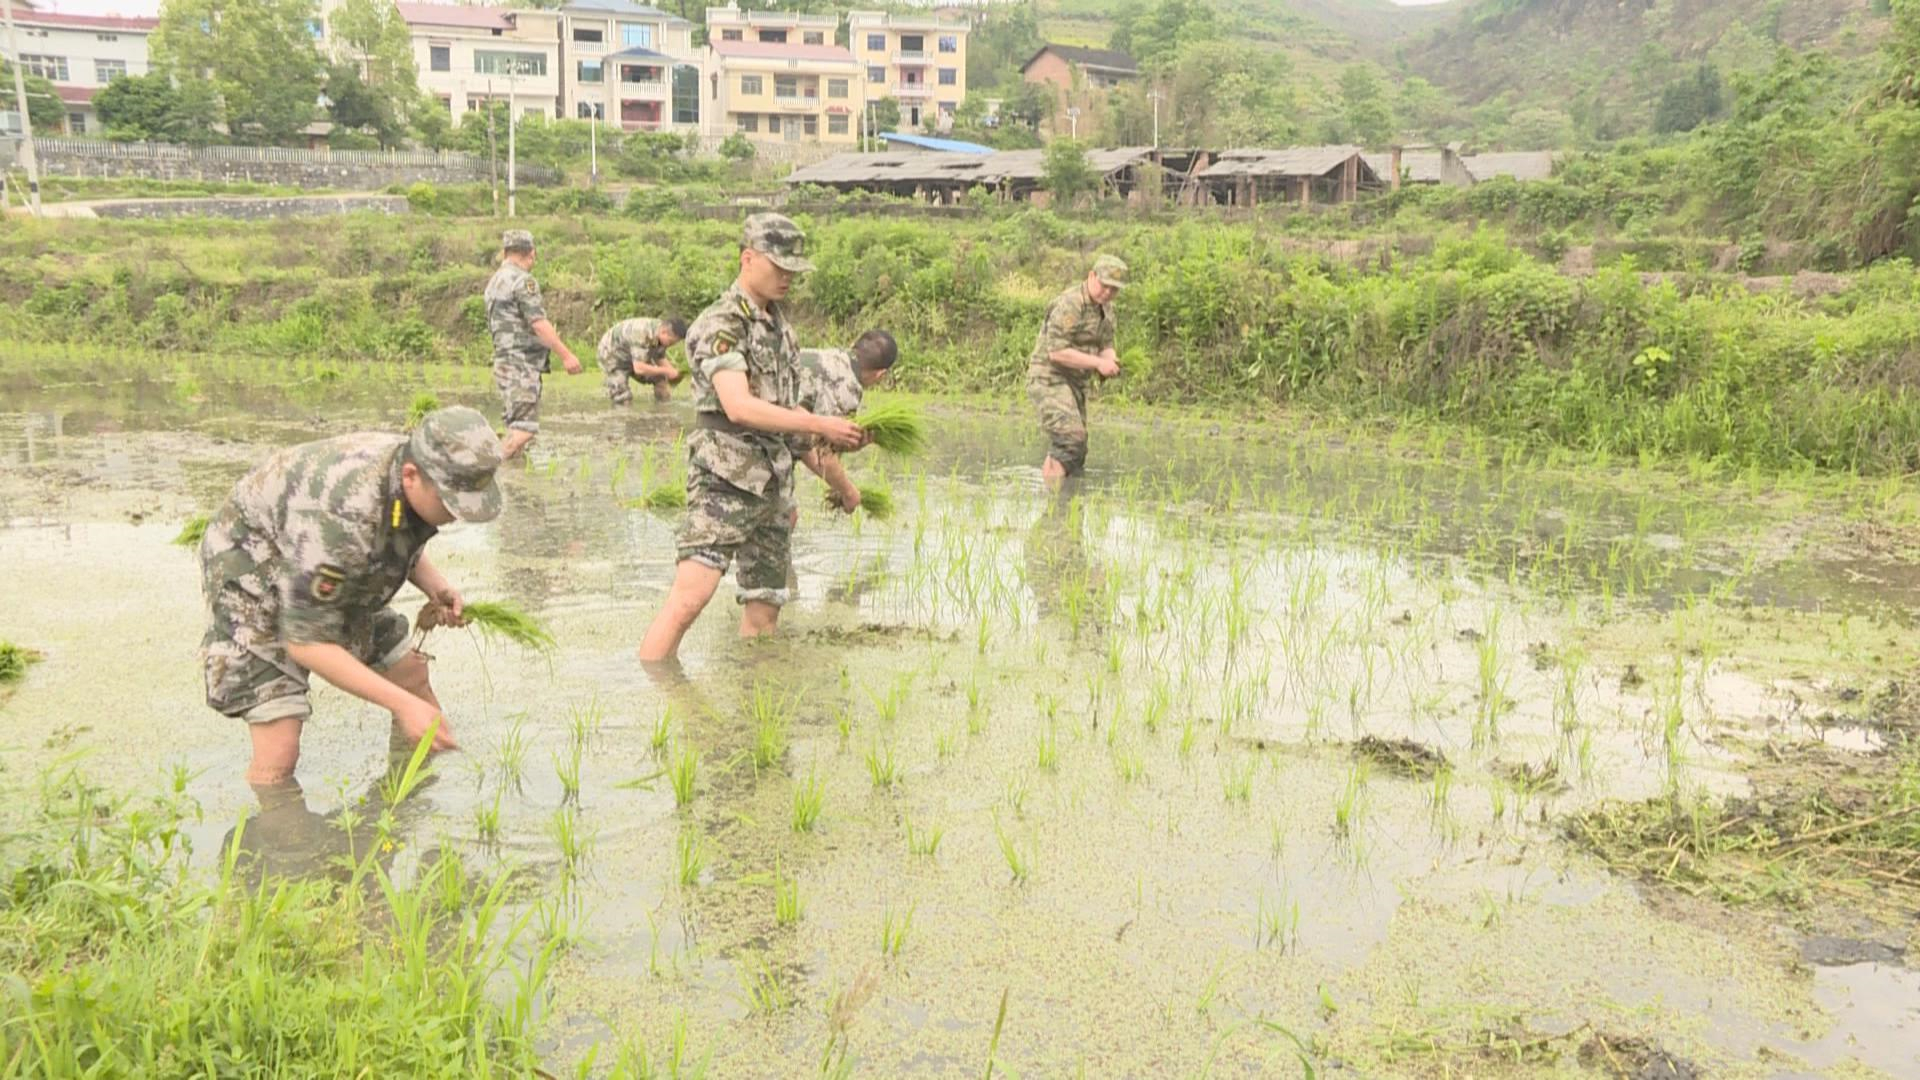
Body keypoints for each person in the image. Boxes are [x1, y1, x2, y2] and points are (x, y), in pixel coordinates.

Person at [198, 406, 505, 784]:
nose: (456, 516)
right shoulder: (346, 517)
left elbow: (395, 531)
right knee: (280, 749)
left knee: (410, 673)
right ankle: (273, 837)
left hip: (320, 557)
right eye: (450, 504)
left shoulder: (410, 467)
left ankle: (406, 800)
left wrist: (436, 586)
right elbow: (305, 642)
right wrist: (401, 705)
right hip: (253, 571)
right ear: (412, 476)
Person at [636, 214, 864, 663]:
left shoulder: (783, 332)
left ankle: (754, 698)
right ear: (748, 258)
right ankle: (657, 693)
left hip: (773, 488)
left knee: (765, 609)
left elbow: (789, 422)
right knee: (689, 600)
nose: (787, 278)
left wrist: (843, 484)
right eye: (779, 267)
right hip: (724, 480)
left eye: (793, 271)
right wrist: (819, 424)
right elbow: (738, 406)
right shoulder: (721, 324)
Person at [1028, 254, 1127, 481]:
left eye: (1114, 289)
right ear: (1091, 276)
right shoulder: (1070, 304)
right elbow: (1057, 352)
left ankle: (1065, 506)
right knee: (1070, 439)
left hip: (1076, 383)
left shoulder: (1106, 309)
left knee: (1076, 451)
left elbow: (1106, 343)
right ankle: (1056, 505)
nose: (1108, 293)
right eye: (1104, 286)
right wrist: (1098, 363)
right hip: (1049, 378)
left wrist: (1111, 361)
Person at [486, 229, 583, 460]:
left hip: (505, 361)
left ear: (505, 252)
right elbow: (538, 323)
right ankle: (489, 469)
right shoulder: (522, 280)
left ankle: (511, 480)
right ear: (531, 254)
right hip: (521, 364)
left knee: (516, 425)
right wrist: (567, 355)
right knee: (524, 429)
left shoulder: (495, 280)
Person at [791, 329, 898, 514]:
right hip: (755, 437)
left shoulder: (831, 357)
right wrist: (848, 492)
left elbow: (802, 443)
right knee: (780, 520)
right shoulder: (847, 388)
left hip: (750, 424)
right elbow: (824, 455)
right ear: (880, 374)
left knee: (786, 516)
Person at [598, 316, 689, 406]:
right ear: (664, 332)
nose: (671, 345)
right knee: (622, 396)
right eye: (671, 342)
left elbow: (659, 357)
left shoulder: (660, 333)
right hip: (613, 356)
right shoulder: (641, 333)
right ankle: (622, 416)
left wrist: (674, 373)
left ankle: (663, 410)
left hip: (636, 356)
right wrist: (666, 371)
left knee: (661, 379)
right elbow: (639, 368)